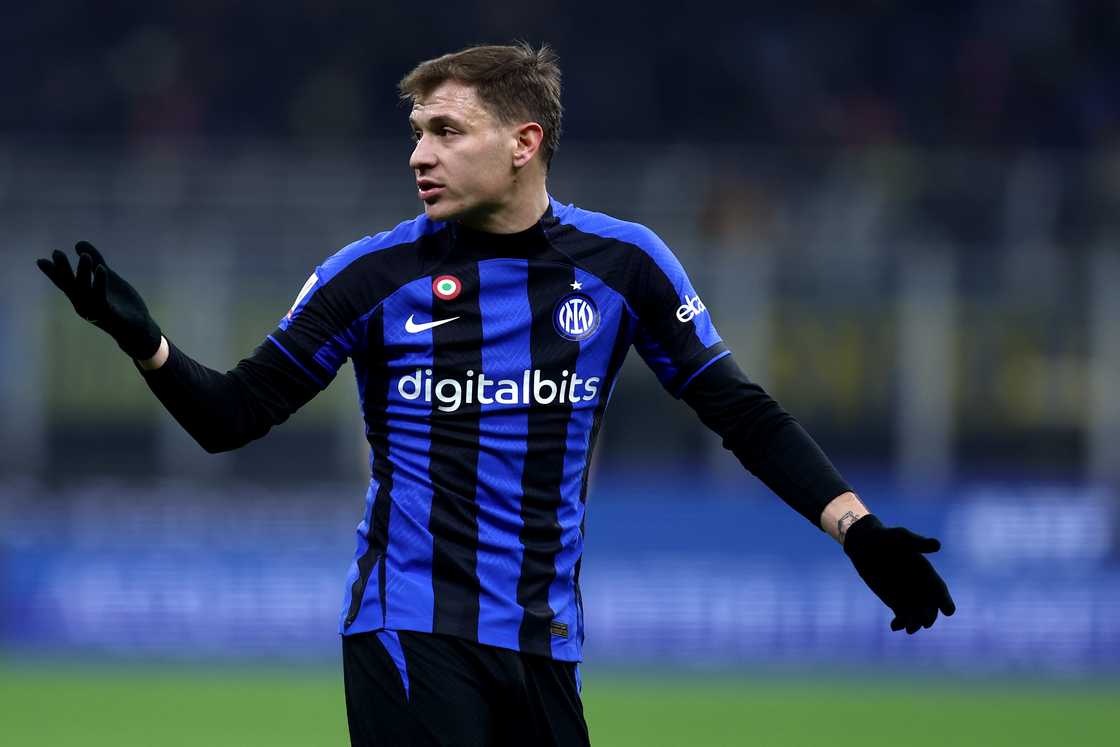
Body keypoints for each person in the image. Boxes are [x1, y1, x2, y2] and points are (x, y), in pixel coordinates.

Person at [36, 42, 954, 747]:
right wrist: (144, 341)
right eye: (415, 135)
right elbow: (231, 417)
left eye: (445, 131)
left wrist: (856, 527)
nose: (419, 156)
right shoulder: (371, 276)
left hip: (547, 645)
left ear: (524, 143)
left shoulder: (624, 265)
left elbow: (742, 412)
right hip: (409, 627)